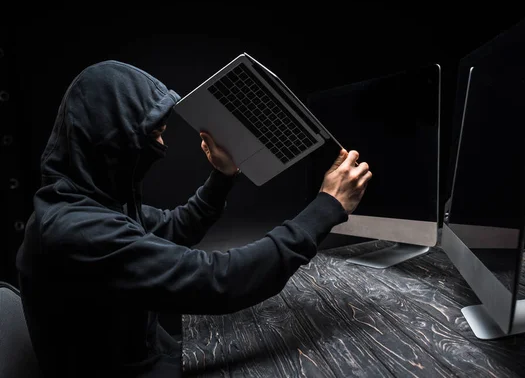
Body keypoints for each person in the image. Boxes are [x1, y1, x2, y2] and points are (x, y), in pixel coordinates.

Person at [16, 60, 372, 377]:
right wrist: (328, 205)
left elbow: (174, 228)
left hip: (149, 352)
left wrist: (223, 175)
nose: (162, 142)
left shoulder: (93, 202)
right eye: (153, 131)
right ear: (111, 136)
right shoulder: (74, 231)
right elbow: (219, 281)